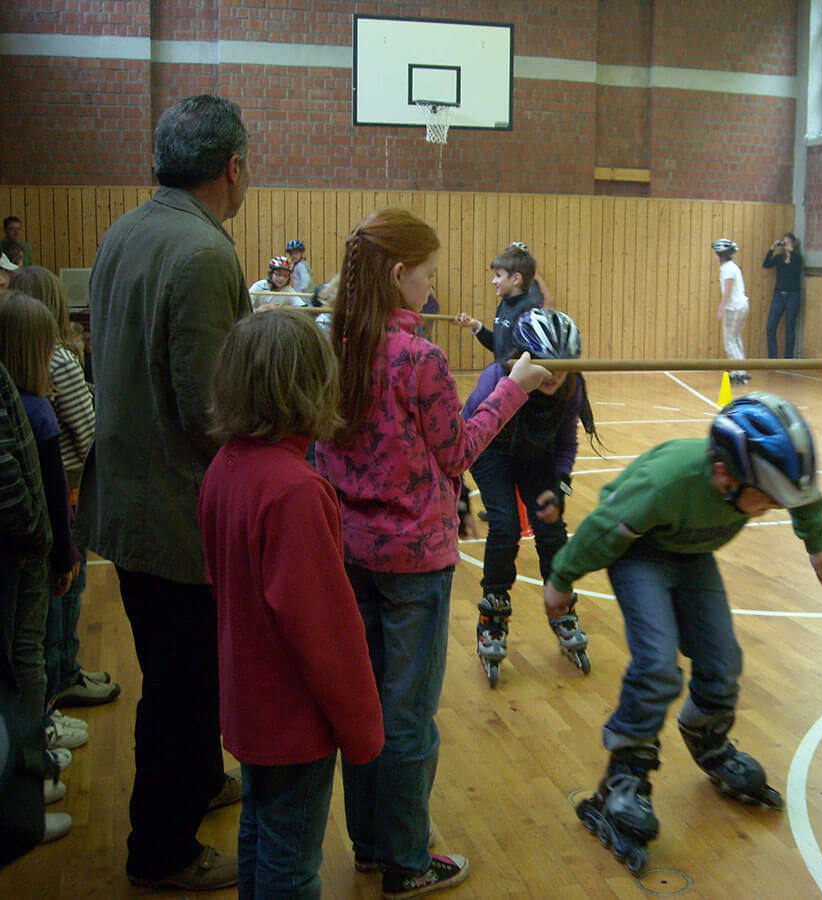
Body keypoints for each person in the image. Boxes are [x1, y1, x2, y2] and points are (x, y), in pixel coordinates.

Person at [315, 208, 549, 898]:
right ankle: (407, 860)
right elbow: (459, 452)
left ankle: (371, 843)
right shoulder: (418, 357)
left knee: (364, 706)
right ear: (398, 275)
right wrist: (516, 387)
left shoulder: (336, 342)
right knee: (408, 716)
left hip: (348, 552)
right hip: (413, 562)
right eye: (427, 274)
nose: (432, 285)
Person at [544, 393, 822, 874]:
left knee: (723, 662)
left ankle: (709, 739)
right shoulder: (668, 482)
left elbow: (804, 495)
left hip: (691, 551)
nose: (768, 508)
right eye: (764, 497)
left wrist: (816, 545)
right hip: (637, 549)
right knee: (657, 666)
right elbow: (603, 530)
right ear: (724, 474)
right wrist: (561, 578)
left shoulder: (755, 478)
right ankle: (623, 779)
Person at [78, 93, 252, 891]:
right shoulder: (204, 253)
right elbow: (209, 411)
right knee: (181, 684)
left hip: (130, 499)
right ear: (233, 167)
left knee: (181, 673)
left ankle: (197, 781)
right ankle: (162, 850)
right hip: (179, 515)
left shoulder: (125, 230)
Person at [199, 309, 384, 900]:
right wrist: (362, 729)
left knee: (260, 830)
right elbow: (326, 632)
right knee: (291, 864)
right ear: (311, 385)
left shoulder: (225, 467)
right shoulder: (296, 491)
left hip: (249, 703)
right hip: (292, 719)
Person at [464, 307, 598, 687]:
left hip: (536, 456)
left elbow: (567, 442)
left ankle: (562, 610)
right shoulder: (496, 378)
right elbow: (462, 433)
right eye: (544, 364)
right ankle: (493, 617)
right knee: (504, 527)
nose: (555, 375)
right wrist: (454, 488)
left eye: (563, 365)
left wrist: (560, 483)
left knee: (553, 530)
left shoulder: (572, 387)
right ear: (521, 357)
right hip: (491, 450)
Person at [8, 267, 115, 718]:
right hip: (68, 492)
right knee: (67, 593)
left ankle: (62, 674)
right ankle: (62, 678)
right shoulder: (59, 362)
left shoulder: (22, 366)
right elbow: (87, 429)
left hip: (51, 495)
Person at [0, 291, 80, 843]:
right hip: (27, 552)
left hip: (31, 549)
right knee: (22, 662)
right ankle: (25, 780)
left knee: (25, 657)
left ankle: (29, 771)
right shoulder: (37, 410)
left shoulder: (24, 403)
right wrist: (57, 550)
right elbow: (40, 491)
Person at [453, 245, 542, 363]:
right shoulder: (504, 304)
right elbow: (498, 347)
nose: (493, 281)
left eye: (498, 276)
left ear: (516, 279)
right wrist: (476, 325)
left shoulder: (529, 310)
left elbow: (530, 355)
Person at [712, 238, 750, 385]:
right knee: (735, 338)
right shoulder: (732, 266)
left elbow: (727, 291)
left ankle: (740, 372)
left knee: (729, 341)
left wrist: (720, 309)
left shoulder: (727, 268)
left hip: (734, 307)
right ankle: (739, 369)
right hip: (742, 305)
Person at [762, 232, 804, 358]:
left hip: (793, 296)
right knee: (771, 327)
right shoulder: (779, 258)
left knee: (790, 329)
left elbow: (796, 270)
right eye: (784, 242)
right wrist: (772, 249)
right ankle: (772, 358)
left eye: (788, 242)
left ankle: (788, 359)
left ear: (793, 243)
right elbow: (766, 264)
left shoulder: (798, 258)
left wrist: (791, 253)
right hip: (779, 296)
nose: (785, 245)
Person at [506, 240, 554, 308]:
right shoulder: (512, 268)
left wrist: (548, 296)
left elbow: (540, 281)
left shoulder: (528, 267)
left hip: (533, 300)